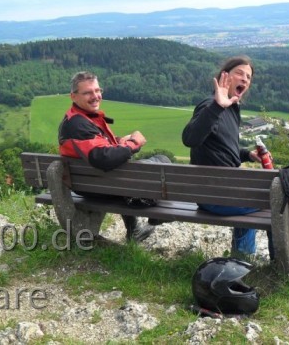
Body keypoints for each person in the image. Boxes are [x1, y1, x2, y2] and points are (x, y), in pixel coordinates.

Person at [59, 71, 169, 242]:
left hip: (94, 181)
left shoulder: (79, 118)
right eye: (88, 92)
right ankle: (157, 216)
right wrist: (134, 144)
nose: (95, 96)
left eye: (97, 90)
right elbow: (102, 158)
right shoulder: (78, 125)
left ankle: (134, 229)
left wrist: (119, 142)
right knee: (161, 162)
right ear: (73, 96)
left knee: (140, 166)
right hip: (100, 186)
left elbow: (97, 146)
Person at [182, 56, 274, 259]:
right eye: (239, 73)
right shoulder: (210, 106)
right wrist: (217, 105)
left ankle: (241, 258)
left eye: (248, 77)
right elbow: (190, 138)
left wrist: (246, 154)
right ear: (225, 76)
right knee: (276, 201)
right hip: (214, 196)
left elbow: (222, 148)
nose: (244, 79)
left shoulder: (231, 109)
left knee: (256, 197)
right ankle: (261, 261)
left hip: (224, 192)